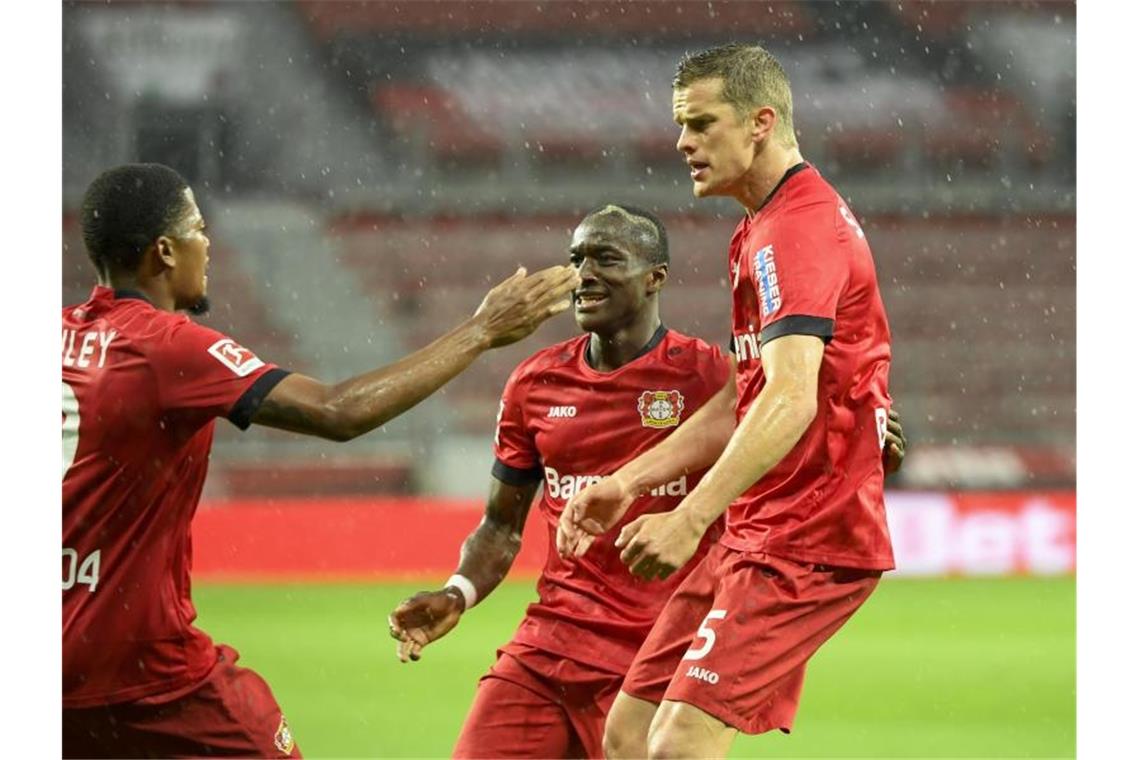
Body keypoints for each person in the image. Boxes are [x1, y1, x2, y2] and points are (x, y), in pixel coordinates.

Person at [61, 163, 579, 758]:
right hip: (143, 672)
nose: (209, 246)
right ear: (164, 252)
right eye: (198, 230)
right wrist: (482, 330)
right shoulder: (165, 345)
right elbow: (338, 411)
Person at [388, 204, 906, 759]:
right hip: (548, 649)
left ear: (654, 276)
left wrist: (863, 444)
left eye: (606, 259)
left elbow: (789, 443)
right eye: (576, 259)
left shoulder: (712, 378)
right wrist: (457, 592)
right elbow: (499, 525)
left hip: (657, 661)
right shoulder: (532, 384)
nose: (584, 275)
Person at [557, 43, 896, 759]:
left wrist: (689, 516)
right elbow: (751, 395)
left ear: (760, 123)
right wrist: (628, 482)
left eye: (701, 123)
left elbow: (791, 399)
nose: (682, 142)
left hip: (808, 537)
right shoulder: (759, 228)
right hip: (757, 527)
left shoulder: (796, 229)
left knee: (678, 744)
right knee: (628, 734)